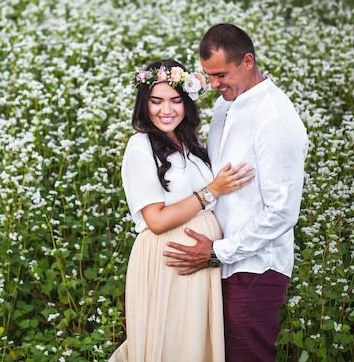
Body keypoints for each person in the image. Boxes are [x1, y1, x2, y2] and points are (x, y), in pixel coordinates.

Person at [163, 24, 309, 362]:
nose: (213, 84)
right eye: (207, 76)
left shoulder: (274, 119)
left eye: (220, 74)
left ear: (247, 61)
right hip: (217, 266)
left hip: (253, 270)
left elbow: (282, 213)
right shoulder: (225, 106)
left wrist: (218, 252)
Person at [109, 58, 254, 362]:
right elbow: (156, 220)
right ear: (144, 104)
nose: (167, 109)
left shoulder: (191, 143)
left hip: (199, 261)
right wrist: (211, 191)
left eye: (176, 100)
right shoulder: (141, 145)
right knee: (171, 343)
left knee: (194, 344)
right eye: (156, 101)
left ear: (187, 102)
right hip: (168, 259)